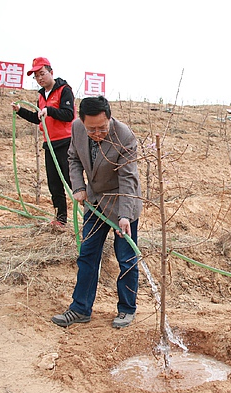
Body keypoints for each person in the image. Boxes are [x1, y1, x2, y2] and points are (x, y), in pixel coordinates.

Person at [51, 95, 142, 329]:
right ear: (82, 122)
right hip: (94, 202)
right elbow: (73, 158)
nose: (97, 133)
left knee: (126, 258)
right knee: (87, 255)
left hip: (122, 202)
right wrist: (78, 187)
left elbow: (128, 179)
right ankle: (80, 308)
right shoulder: (77, 128)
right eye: (92, 129)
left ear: (109, 118)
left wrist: (125, 216)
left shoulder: (124, 136)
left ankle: (126, 309)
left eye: (102, 128)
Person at [11, 57, 74, 227]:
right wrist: (20, 111)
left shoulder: (64, 90)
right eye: (36, 76)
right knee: (54, 183)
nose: (39, 78)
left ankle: (90, 213)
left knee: (71, 181)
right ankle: (61, 219)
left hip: (65, 142)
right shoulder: (41, 95)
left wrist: (50, 110)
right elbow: (37, 117)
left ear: (51, 72)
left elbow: (69, 114)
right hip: (49, 143)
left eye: (42, 74)